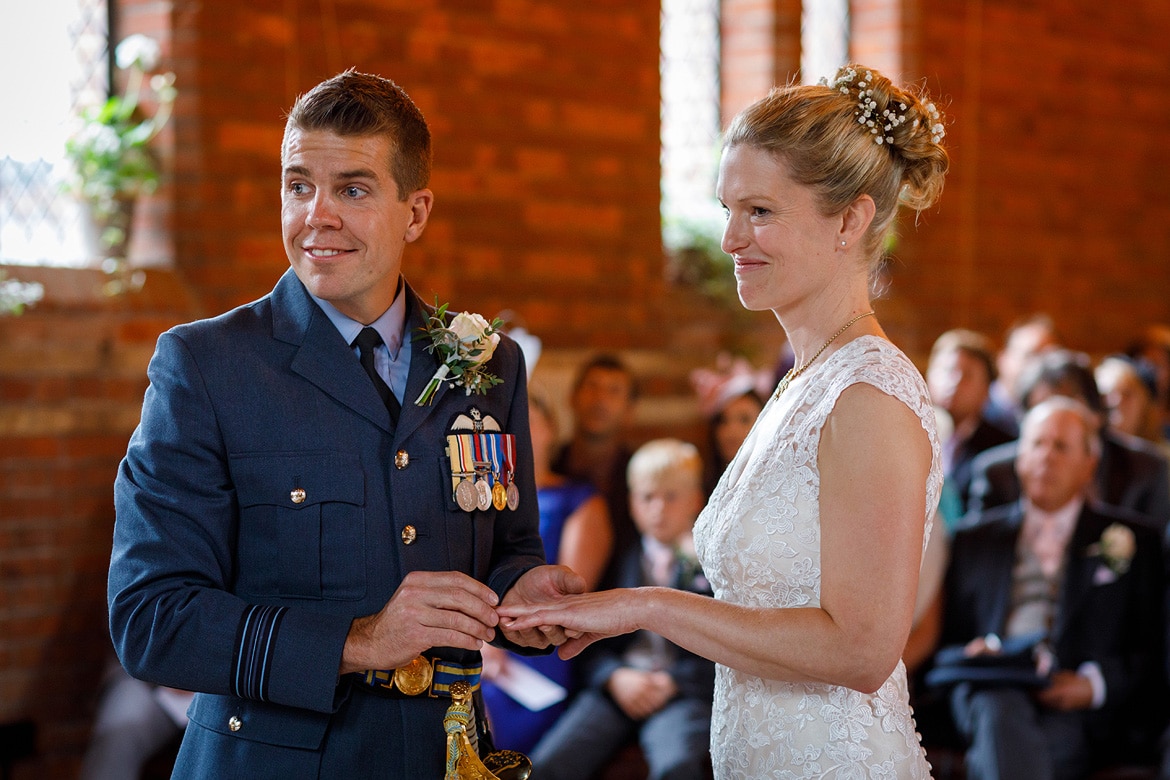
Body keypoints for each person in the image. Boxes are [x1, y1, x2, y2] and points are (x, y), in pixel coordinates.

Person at [108, 70, 582, 778]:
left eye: (353, 190)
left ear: (415, 212)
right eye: (298, 186)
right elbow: (151, 619)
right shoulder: (206, 366)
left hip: (447, 756)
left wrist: (525, 592)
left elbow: (506, 546)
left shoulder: (492, 362)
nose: (315, 216)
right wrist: (360, 640)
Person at [501, 62, 950, 777]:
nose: (732, 239)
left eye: (761, 212)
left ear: (851, 220)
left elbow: (863, 652)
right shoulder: (798, 385)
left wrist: (648, 605)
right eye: (727, 210)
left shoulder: (869, 394)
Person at [935, 396, 1165, 779]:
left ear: (1089, 464)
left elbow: (1149, 649)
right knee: (997, 707)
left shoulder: (1133, 540)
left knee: (1034, 743)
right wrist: (974, 652)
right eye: (1037, 444)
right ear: (1018, 457)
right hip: (989, 686)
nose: (1046, 457)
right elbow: (946, 639)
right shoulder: (973, 539)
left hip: (1071, 700)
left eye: (1061, 446)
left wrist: (1093, 686)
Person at [529, 439, 715, 780]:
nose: (658, 508)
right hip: (620, 685)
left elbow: (721, 645)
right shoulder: (616, 560)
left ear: (695, 499)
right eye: (647, 497)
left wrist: (672, 683)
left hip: (682, 693)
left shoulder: (710, 568)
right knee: (549, 763)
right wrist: (615, 677)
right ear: (632, 503)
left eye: (671, 496)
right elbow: (586, 636)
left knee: (676, 768)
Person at [480, 394, 612, 754]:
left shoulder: (579, 500)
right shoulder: (482, 499)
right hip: (477, 646)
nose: (517, 430)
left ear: (552, 429)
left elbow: (570, 597)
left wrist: (499, 640)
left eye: (528, 419)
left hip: (538, 650)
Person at [967, 348, 1170, 531]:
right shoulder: (996, 472)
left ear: (1096, 413)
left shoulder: (1146, 470)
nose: (1055, 422)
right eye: (1041, 411)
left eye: (1067, 408)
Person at [553, 353, 639, 585]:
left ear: (629, 409)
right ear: (571, 398)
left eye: (614, 391)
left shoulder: (640, 478)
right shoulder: (546, 469)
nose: (600, 399)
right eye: (592, 387)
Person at [926, 328, 1015, 513]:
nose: (955, 382)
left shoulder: (1001, 448)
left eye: (967, 375)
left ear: (986, 389)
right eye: (947, 370)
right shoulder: (908, 432)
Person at [984, 314, 1060, 437]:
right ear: (1003, 359)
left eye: (1049, 359)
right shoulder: (975, 412)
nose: (1041, 367)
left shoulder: (1056, 417)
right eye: (1031, 356)